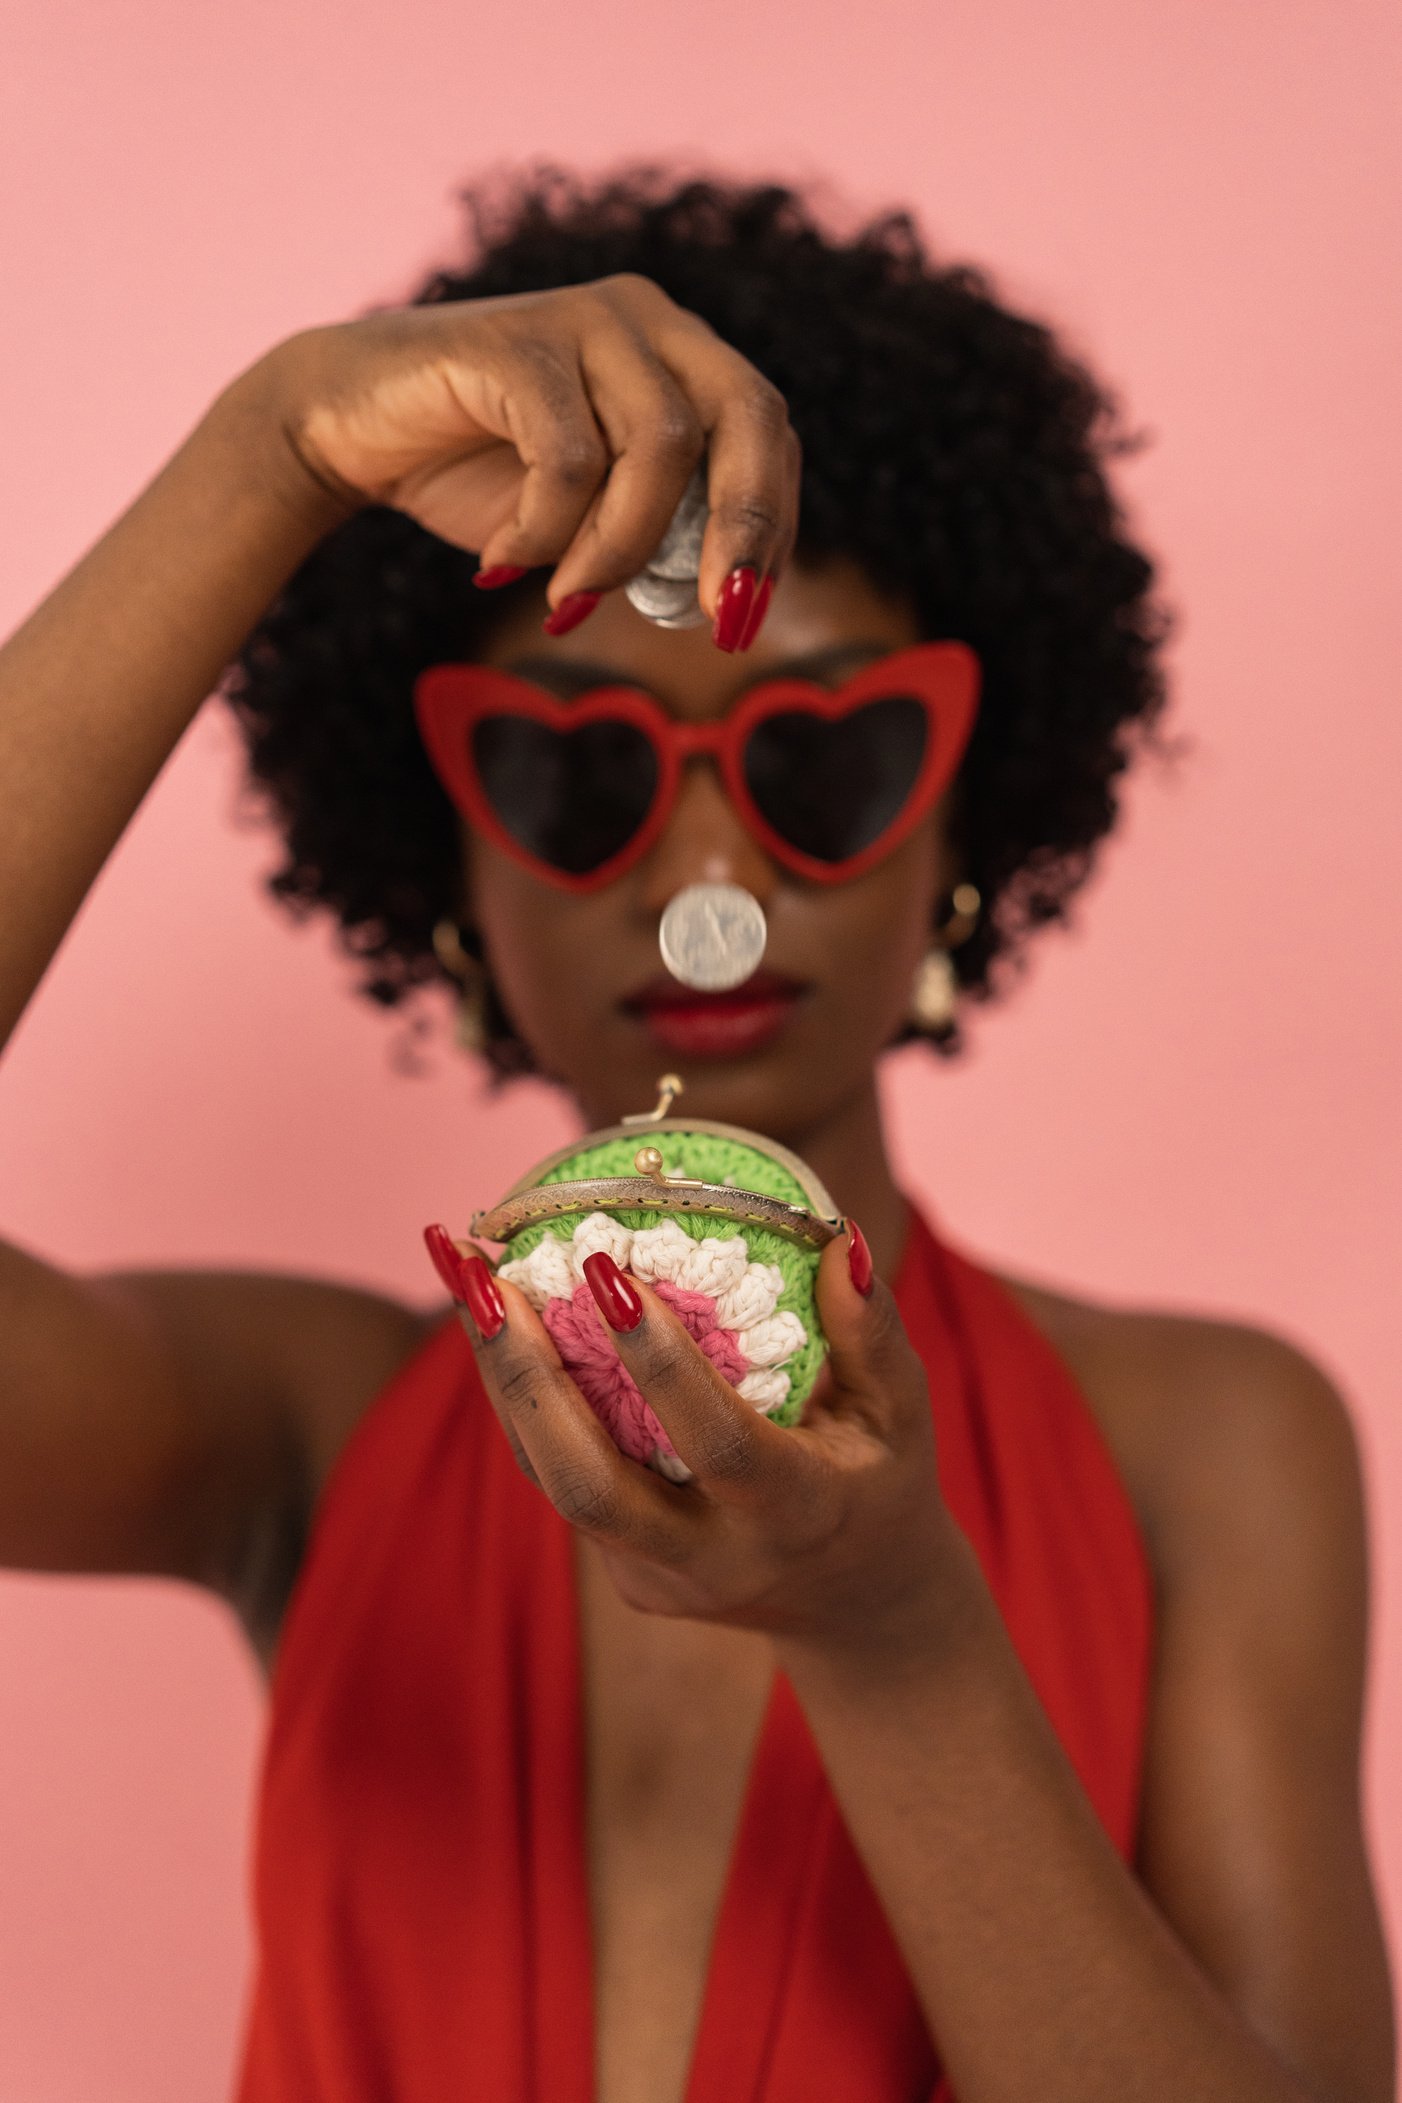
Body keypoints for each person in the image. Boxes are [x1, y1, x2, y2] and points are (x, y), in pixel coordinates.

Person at [0, 166, 1392, 2103]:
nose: (707, 880)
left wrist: (894, 1630)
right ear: (451, 861)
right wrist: (271, 455)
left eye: (820, 754)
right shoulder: (299, 1430)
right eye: (578, 771)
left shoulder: (1206, 1444)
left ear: (961, 820)